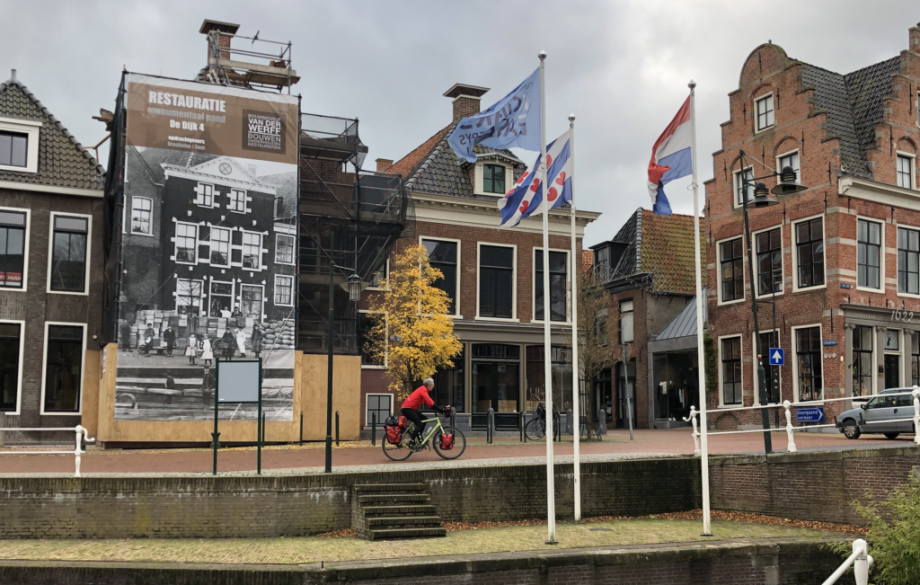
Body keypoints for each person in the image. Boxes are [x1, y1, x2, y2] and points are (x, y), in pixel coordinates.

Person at [400, 378, 443, 447]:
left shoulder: (423, 390)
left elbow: (428, 403)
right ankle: (411, 441)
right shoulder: (423, 390)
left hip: (411, 408)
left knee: (424, 419)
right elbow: (429, 400)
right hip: (407, 408)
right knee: (419, 424)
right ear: (429, 385)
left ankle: (419, 438)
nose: (433, 386)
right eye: (432, 385)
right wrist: (439, 409)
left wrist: (435, 408)